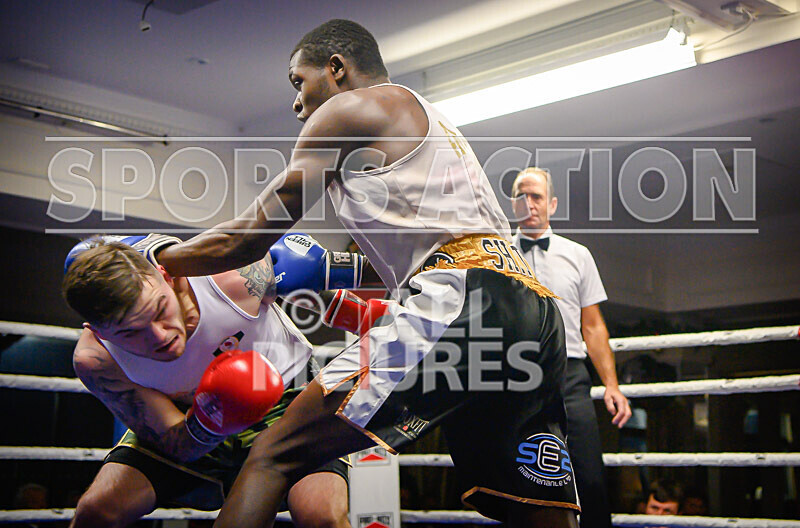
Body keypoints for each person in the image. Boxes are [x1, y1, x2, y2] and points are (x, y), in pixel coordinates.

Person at [150, 19, 580, 528]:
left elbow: (246, 238)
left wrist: (155, 259)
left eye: (299, 81)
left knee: (272, 454)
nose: (296, 103)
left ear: (336, 68)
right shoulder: (427, 118)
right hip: (530, 309)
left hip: (461, 300)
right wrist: (330, 274)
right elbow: (427, 248)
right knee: (537, 507)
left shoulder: (347, 109)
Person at [61, 238, 352, 528]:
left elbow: (298, 273)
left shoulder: (228, 278)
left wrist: (359, 313)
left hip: (289, 396)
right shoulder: (97, 360)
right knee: (96, 513)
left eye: (159, 310)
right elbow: (175, 441)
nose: (159, 335)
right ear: (99, 333)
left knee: (321, 517)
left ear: (165, 278)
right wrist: (210, 419)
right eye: (130, 332)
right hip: (189, 416)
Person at [509, 167, 632, 528]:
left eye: (536, 196)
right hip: (515, 376)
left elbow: (592, 326)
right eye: (521, 196)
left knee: (588, 476)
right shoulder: (497, 255)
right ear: (513, 204)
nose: (529, 203)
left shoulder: (577, 254)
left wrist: (611, 385)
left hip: (570, 374)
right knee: (520, 479)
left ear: (552, 204)